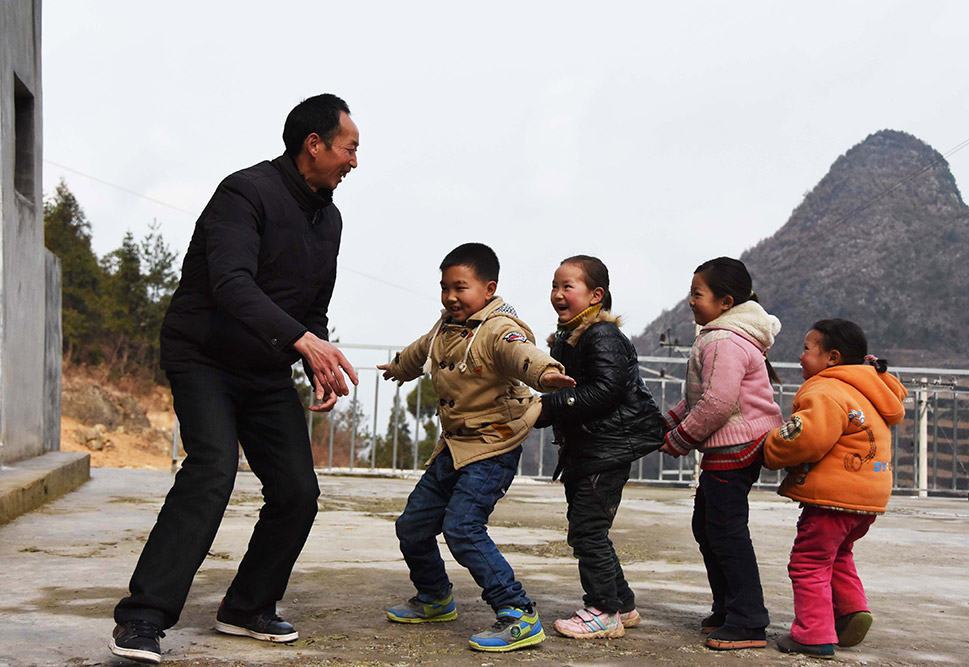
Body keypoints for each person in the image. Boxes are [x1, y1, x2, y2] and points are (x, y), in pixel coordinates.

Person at [110, 94, 360, 665]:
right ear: (314, 145)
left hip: (265, 366)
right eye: (349, 148)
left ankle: (247, 606)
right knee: (212, 468)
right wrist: (301, 341)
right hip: (204, 356)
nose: (354, 162)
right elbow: (230, 282)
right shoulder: (244, 193)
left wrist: (312, 357)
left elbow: (312, 306)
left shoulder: (331, 219)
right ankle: (143, 618)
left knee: (298, 491)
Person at [377, 242, 574, 653]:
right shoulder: (445, 326)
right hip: (456, 445)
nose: (451, 296)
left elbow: (521, 353)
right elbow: (421, 350)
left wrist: (547, 372)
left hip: (494, 444)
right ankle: (434, 597)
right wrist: (398, 367)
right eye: (445, 287)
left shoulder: (499, 327)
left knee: (462, 527)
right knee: (412, 526)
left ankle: (518, 614)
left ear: (488, 289)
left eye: (460, 288)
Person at [535, 255, 667, 639]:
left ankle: (603, 610)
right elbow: (559, 389)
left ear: (596, 295)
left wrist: (546, 407)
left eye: (567, 287)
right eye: (554, 286)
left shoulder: (601, 336)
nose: (558, 295)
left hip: (607, 448)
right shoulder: (566, 338)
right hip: (588, 449)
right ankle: (622, 604)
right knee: (589, 529)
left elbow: (605, 391)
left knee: (588, 529)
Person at [659, 257, 784, 651]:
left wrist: (679, 439)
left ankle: (748, 619)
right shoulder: (724, 335)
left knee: (726, 533)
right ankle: (729, 608)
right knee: (708, 527)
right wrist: (671, 420)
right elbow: (701, 396)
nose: (691, 301)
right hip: (732, 446)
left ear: (726, 301)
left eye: (698, 294)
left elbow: (718, 402)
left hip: (736, 447)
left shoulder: (723, 339)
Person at [763, 319, 906, 660]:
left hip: (832, 499)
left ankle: (813, 635)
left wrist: (770, 448)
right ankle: (851, 611)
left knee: (808, 562)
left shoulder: (825, 390)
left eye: (807, 349)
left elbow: (805, 439)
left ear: (832, 357)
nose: (800, 356)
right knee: (838, 554)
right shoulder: (870, 389)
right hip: (868, 499)